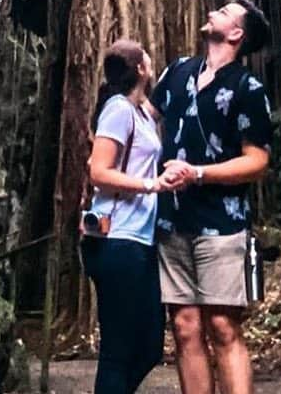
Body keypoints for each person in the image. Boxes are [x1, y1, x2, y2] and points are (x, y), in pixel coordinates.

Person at [149, 0, 272, 394]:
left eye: (225, 12)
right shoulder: (178, 71)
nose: (214, 12)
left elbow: (256, 161)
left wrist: (198, 173)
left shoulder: (247, 87)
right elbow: (148, 122)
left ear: (237, 33)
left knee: (222, 326)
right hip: (172, 220)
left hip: (221, 224)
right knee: (184, 327)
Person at [80, 38, 174, 394]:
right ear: (140, 69)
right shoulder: (118, 109)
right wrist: (152, 185)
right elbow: (99, 172)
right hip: (117, 241)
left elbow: (163, 103)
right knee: (118, 352)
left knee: (149, 346)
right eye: (148, 59)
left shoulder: (139, 111)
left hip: (140, 242)